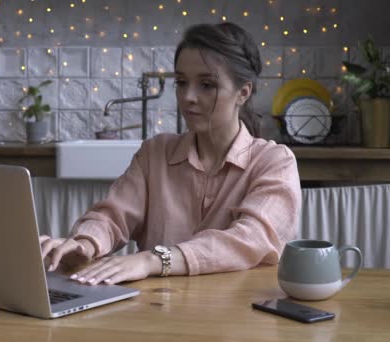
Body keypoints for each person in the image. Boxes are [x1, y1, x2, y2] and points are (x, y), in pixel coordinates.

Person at [40, 22, 301, 285]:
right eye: (181, 82)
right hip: (156, 310)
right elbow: (112, 215)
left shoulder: (274, 162)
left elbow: (250, 240)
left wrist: (151, 260)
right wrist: (85, 244)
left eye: (207, 85)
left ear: (242, 93)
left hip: (236, 314)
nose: (188, 97)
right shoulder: (155, 153)